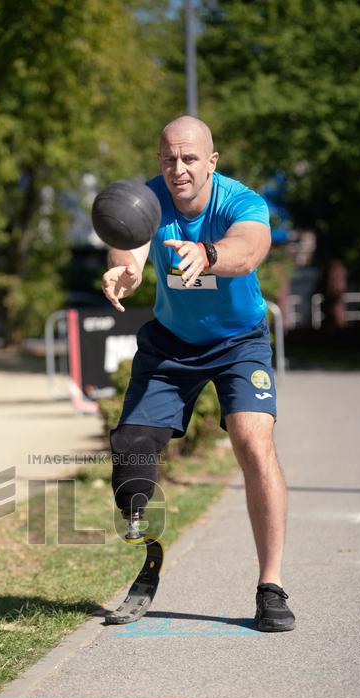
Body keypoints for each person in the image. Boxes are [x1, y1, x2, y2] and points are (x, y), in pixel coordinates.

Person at [102, 115, 295, 632]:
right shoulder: (149, 198)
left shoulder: (240, 200)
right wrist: (126, 266)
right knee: (133, 456)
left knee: (255, 442)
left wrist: (208, 254)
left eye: (190, 159)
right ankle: (149, 557)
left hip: (239, 343)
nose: (179, 169)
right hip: (171, 345)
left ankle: (270, 586)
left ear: (212, 162)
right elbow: (130, 239)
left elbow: (250, 247)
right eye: (169, 159)